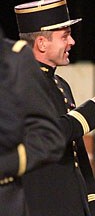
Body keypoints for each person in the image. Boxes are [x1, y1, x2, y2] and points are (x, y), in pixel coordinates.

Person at [14, 0, 95, 216]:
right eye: (65, 36)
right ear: (41, 43)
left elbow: (76, 153)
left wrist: (93, 205)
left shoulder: (60, 84)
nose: (72, 42)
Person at [0, 25, 65, 216]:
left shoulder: (14, 59)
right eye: (65, 36)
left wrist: (6, 164)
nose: (71, 42)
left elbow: (49, 138)